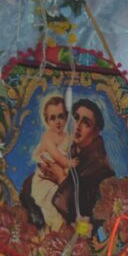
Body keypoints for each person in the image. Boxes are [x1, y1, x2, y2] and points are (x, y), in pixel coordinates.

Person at [21, 98, 116, 232]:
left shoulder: (100, 169)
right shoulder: (69, 148)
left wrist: (61, 178)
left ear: (96, 131)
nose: (77, 126)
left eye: (86, 123)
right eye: (76, 118)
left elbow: (87, 215)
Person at [28, 94, 76, 231]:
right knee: (50, 206)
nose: (58, 122)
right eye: (52, 118)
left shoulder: (67, 137)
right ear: (47, 120)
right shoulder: (48, 136)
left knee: (61, 201)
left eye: (61, 116)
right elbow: (56, 156)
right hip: (44, 179)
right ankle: (56, 229)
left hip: (58, 176)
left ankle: (60, 229)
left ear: (66, 117)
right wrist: (69, 163)